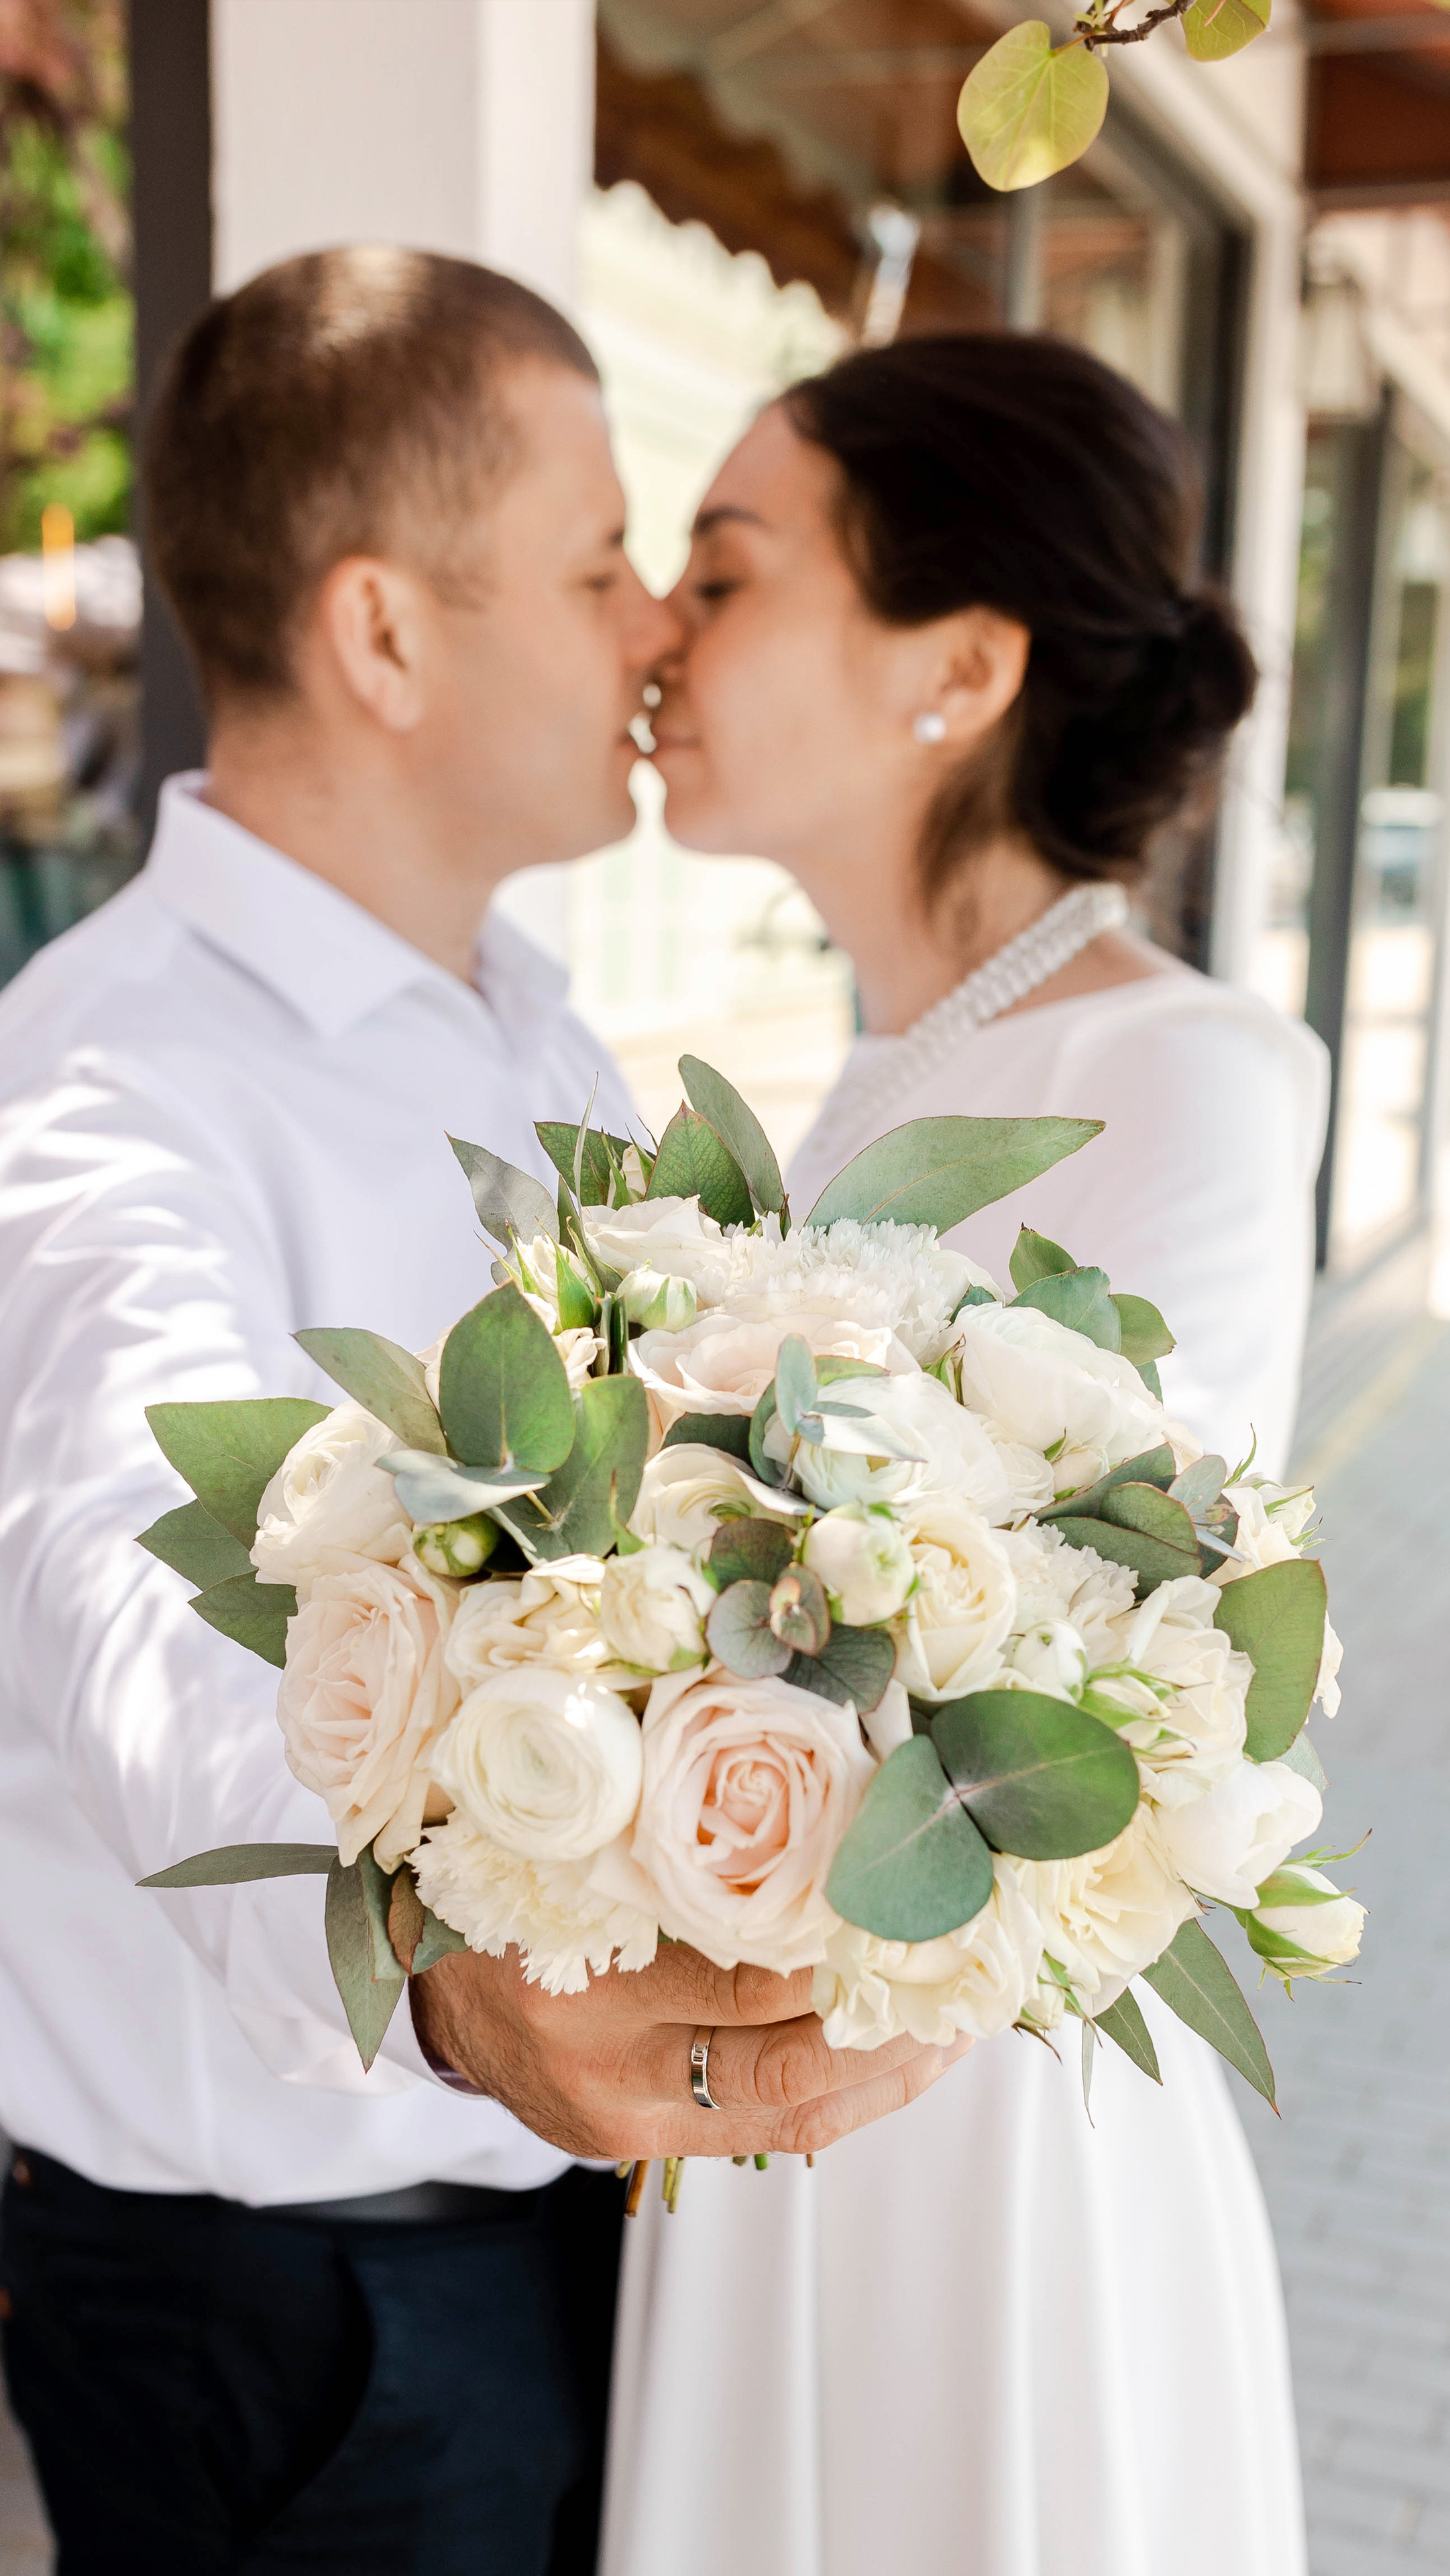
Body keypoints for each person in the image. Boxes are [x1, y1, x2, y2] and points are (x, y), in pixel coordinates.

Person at [0, 249, 961, 2576]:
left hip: (546, 2236)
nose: (655, 622)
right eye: (591, 566)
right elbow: (153, 1645)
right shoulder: (97, 1107)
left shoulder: (531, 1040)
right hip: (293, 2304)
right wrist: (460, 2002)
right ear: (384, 636)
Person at [600, 334, 1327, 2576]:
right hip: (768, 2085)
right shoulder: (867, 1083)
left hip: (977, 2128)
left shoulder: (1199, 1072)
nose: (657, 631)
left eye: (724, 574)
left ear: (963, 666)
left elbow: (1072, 1641)